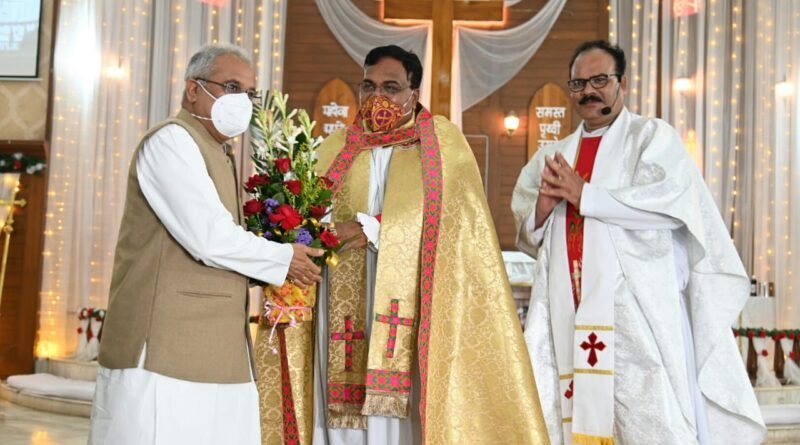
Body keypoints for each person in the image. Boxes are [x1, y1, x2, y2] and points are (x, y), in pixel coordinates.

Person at [254, 45, 548, 445]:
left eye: (390, 88)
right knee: (338, 403)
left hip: (412, 300)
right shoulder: (337, 145)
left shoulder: (442, 143)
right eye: (368, 86)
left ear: (414, 93)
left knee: (403, 412)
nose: (377, 97)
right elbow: (310, 212)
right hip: (341, 300)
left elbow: (455, 221)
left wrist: (371, 229)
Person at [512, 40, 767, 445]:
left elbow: (672, 207)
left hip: (634, 312)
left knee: (646, 416)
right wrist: (541, 210)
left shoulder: (651, 137)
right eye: (578, 83)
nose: (588, 91)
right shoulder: (554, 155)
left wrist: (585, 195)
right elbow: (530, 236)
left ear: (623, 83)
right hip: (567, 311)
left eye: (600, 80)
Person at [88, 44, 323, 445]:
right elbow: (208, 237)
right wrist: (283, 257)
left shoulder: (218, 151)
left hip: (217, 343)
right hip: (163, 343)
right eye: (231, 87)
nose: (241, 101)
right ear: (193, 89)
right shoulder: (171, 141)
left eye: (249, 93)